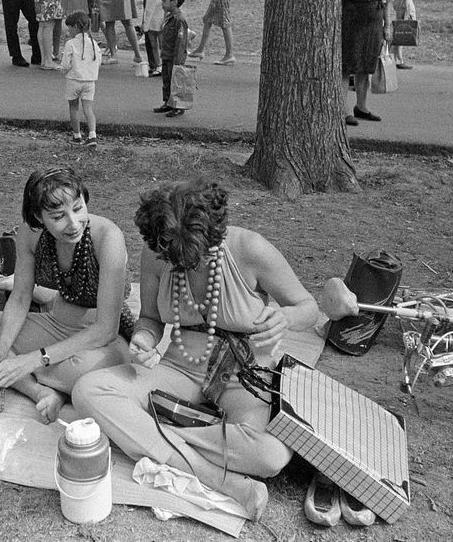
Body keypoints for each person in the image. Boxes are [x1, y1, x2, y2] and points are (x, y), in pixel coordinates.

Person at [72, 178, 322, 520]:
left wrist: (285, 318)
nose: (183, 265)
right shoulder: (156, 252)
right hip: (179, 366)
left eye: (192, 257)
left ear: (213, 234)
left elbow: (307, 307)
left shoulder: (250, 248)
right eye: (171, 256)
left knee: (270, 455)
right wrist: (143, 339)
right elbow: (148, 318)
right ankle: (215, 477)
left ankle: (154, 433)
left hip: (245, 375)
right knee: (89, 390)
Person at [0, 167, 132, 424]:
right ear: (38, 217)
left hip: (101, 340)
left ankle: (10, 372)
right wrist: (1, 347)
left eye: (78, 208)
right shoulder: (30, 234)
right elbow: (20, 298)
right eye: (58, 216)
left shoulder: (108, 237)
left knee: (85, 373)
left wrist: (31, 360)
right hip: (55, 323)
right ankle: (39, 390)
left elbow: (106, 329)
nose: (73, 223)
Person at [340, 0, 392, 126]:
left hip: (373, 24)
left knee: (365, 67)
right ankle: (343, 111)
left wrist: (388, 26)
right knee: (346, 66)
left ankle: (361, 107)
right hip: (349, 23)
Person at [60, 11, 101, 147]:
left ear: (76, 27)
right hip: (90, 81)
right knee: (88, 108)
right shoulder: (94, 43)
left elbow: (66, 64)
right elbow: (98, 61)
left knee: (73, 107)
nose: (69, 31)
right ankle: (92, 135)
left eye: (70, 28)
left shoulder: (70, 44)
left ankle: (77, 136)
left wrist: (63, 70)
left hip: (73, 79)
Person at [154, 0, 190, 117]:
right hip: (167, 54)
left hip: (174, 56)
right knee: (167, 80)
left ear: (174, 2)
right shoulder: (170, 17)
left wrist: (178, 59)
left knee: (176, 81)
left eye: (164, 1)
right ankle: (168, 102)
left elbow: (181, 41)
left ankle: (178, 106)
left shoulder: (179, 20)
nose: (162, 4)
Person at [138, 0, 165, 78]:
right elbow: (146, 8)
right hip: (149, 23)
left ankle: (164, 65)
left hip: (161, 23)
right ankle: (156, 65)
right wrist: (143, 22)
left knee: (163, 45)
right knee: (153, 45)